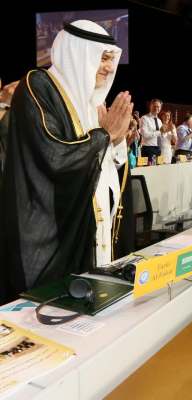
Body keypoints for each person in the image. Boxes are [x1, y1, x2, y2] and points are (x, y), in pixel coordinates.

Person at [0, 20, 132, 303]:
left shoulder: (90, 103)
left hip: (85, 232)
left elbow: (103, 167)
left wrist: (117, 142)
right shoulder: (37, 86)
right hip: (47, 233)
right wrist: (105, 136)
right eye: (103, 58)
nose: (110, 67)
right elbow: (54, 156)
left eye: (112, 59)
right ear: (79, 53)